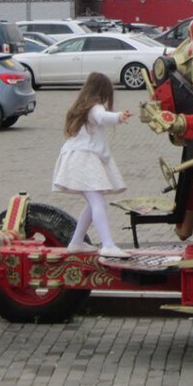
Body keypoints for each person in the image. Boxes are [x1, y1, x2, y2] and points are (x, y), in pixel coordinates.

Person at [52, 72, 134, 256]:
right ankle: (108, 245)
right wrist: (119, 116)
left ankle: (76, 242)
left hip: (76, 157)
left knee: (93, 202)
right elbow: (103, 116)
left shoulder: (82, 106)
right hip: (83, 159)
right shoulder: (94, 107)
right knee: (98, 202)